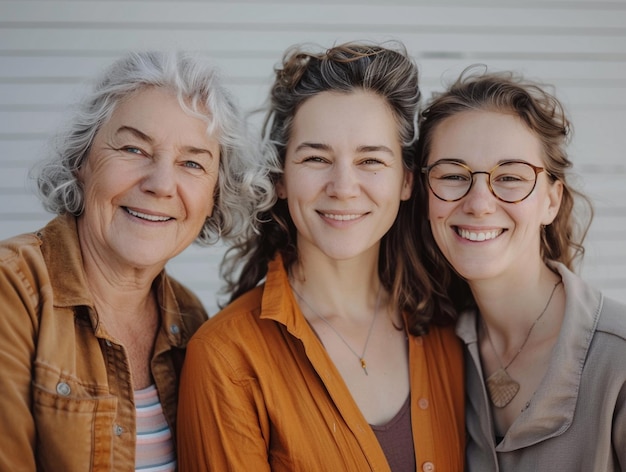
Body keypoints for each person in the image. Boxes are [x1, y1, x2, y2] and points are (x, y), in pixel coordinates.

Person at [177, 41, 465, 472]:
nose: (343, 187)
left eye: (370, 160)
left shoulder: (453, 329)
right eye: (316, 157)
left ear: (406, 181)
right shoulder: (226, 357)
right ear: (280, 179)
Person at [0, 50, 268, 471]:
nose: (161, 184)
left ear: (215, 195)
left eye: (192, 163)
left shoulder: (192, 321)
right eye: (134, 148)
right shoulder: (11, 290)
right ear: (82, 161)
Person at [416, 66, 626, 471]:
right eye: (454, 175)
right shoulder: (432, 348)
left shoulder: (618, 359)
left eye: (510, 177)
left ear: (551, 200)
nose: (479, 203)